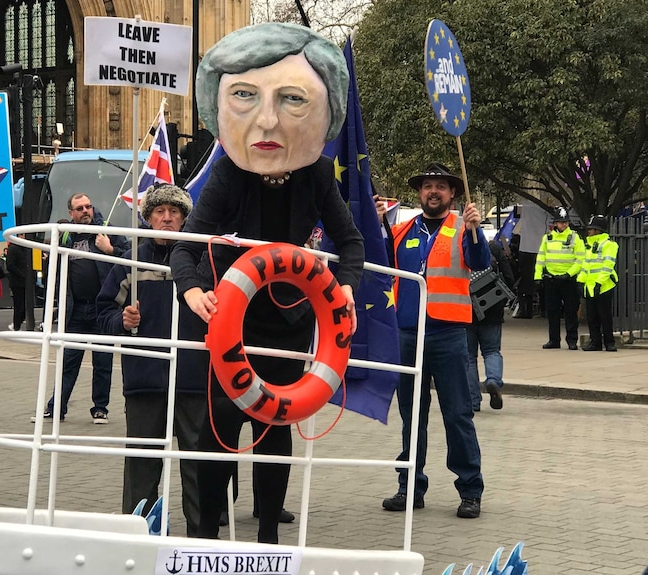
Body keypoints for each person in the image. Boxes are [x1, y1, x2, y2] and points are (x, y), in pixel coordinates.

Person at [170, 22, 364, 544]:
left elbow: (352, 244)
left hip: (288, 324)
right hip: (232, 323)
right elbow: (186, 246)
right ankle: (207, 537)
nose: (269, 120)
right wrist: (192, 290)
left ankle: (268, 542)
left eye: (293, 100)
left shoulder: (317, 175)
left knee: (275, 435)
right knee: (219, 437)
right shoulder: (229, 175)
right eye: (246, 97)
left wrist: (344, 287)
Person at [377, 162, 489, 519]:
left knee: (458, 415)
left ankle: (470, 490)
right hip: (408, 334)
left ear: (453, 193)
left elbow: (479, 261)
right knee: (412, 417)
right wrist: (377, 221)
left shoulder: (462, 227)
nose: (434, 191)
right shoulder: (403, 229)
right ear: (420, 193)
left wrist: (475, 230)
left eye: (441, 186)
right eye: (428, 186)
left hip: (449, 335)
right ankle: (410, 487)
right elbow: (381, 260)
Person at [96, 184, 205, 536]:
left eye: (174, 212)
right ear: (148, 218)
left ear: (185, 219)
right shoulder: (130, 261)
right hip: (144, 379)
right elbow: (103, 312)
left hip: (192, 379)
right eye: (160, 211)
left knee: (198, 465)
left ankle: (201, 540)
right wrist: (122, 322)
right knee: (141, 467)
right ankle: (137, 537)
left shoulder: (204, 261)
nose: (167, 217)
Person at [37, 193, 129, 424]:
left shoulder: (106, 231)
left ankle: (100, 408)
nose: (85, 211)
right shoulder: (66, 235)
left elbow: (129, 259)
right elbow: (55, 270)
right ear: (71, 213)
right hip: (75, 310)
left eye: (88, 206)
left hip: (102, 310)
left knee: (103, 362)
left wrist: (109, 250)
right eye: (80, 208)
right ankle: (56, 407)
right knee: (68, 361)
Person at [467, 240, 516, 411]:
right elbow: (509, 277)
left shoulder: (459, 246)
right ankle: (493, 381)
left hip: (467, 311)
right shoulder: (494, 247)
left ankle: (473, 400)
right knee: (492, 351)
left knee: (468, 358)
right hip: (493, 310)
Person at [534, 206, 585, 350]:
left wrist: (568, 274)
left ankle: (572, 340)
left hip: (568, 280)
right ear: (555, 223)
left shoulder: (575, 238)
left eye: (565, 222)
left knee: (570, 311)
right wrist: (537, 277)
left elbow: (580, 259)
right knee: (552, 311)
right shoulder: (547, 238)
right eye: (560, 222)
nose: (563, 225)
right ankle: (554, 340)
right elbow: (540, 258)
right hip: (551, 279)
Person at [578, 215, 619, 352]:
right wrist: (581, 281)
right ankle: (595, 343)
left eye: (591, 229)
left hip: (604, 286)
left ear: (598, 230)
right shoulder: (589, 245)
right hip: (590, 286)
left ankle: (610, 343)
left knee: (605, 316)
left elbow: (608, 266)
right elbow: (585, 265)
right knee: (592, 317)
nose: (588, 231)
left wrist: (599, 283)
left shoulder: (609, 245)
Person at [6, 235, 30, 331]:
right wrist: (22, 275)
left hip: (25, 280)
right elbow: (10, 265)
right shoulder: (13, 248)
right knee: (19, 304)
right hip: (17, 281)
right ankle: (16, 325)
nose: (23, 237)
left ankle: (17, 323)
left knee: (25, 304)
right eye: (21, 235)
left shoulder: (26, 248)